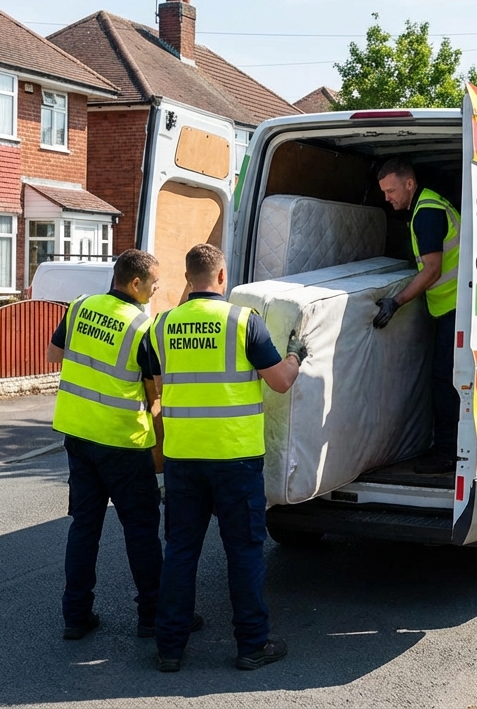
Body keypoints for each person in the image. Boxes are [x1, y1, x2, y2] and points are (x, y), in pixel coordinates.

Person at [151, 243, 307, 673]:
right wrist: (296, 355)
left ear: (188, 278)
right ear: (223, 277)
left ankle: (169, 648)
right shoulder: (244, 321)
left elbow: (159, 381)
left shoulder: (163, 325)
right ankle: (252, 645)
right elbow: (279, 383)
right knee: (243, 551)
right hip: (235, 457)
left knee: (181, 551)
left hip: (183, 455)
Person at [47, 248, 203, 642]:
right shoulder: (141, 327)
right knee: (141, 530)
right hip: (123, 442)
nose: (156, 290)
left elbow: (54, 355)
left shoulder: (81, 307)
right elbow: (156, 392)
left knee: (84, 527)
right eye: (153, 284)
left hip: (78, 436)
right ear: (135, 283)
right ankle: (152, 615)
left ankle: (75, 616)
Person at [371, 158, 461, 475]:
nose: (387, 198)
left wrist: (396, 301)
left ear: (409, 184)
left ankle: (447, 452)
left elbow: (433, 269)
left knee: (445, 381)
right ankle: (447, 448)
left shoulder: (427, 212)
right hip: (450, 307)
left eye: (391, 190)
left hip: (457, 308)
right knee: (445, 379)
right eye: (383, 192)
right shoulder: (427, 205)